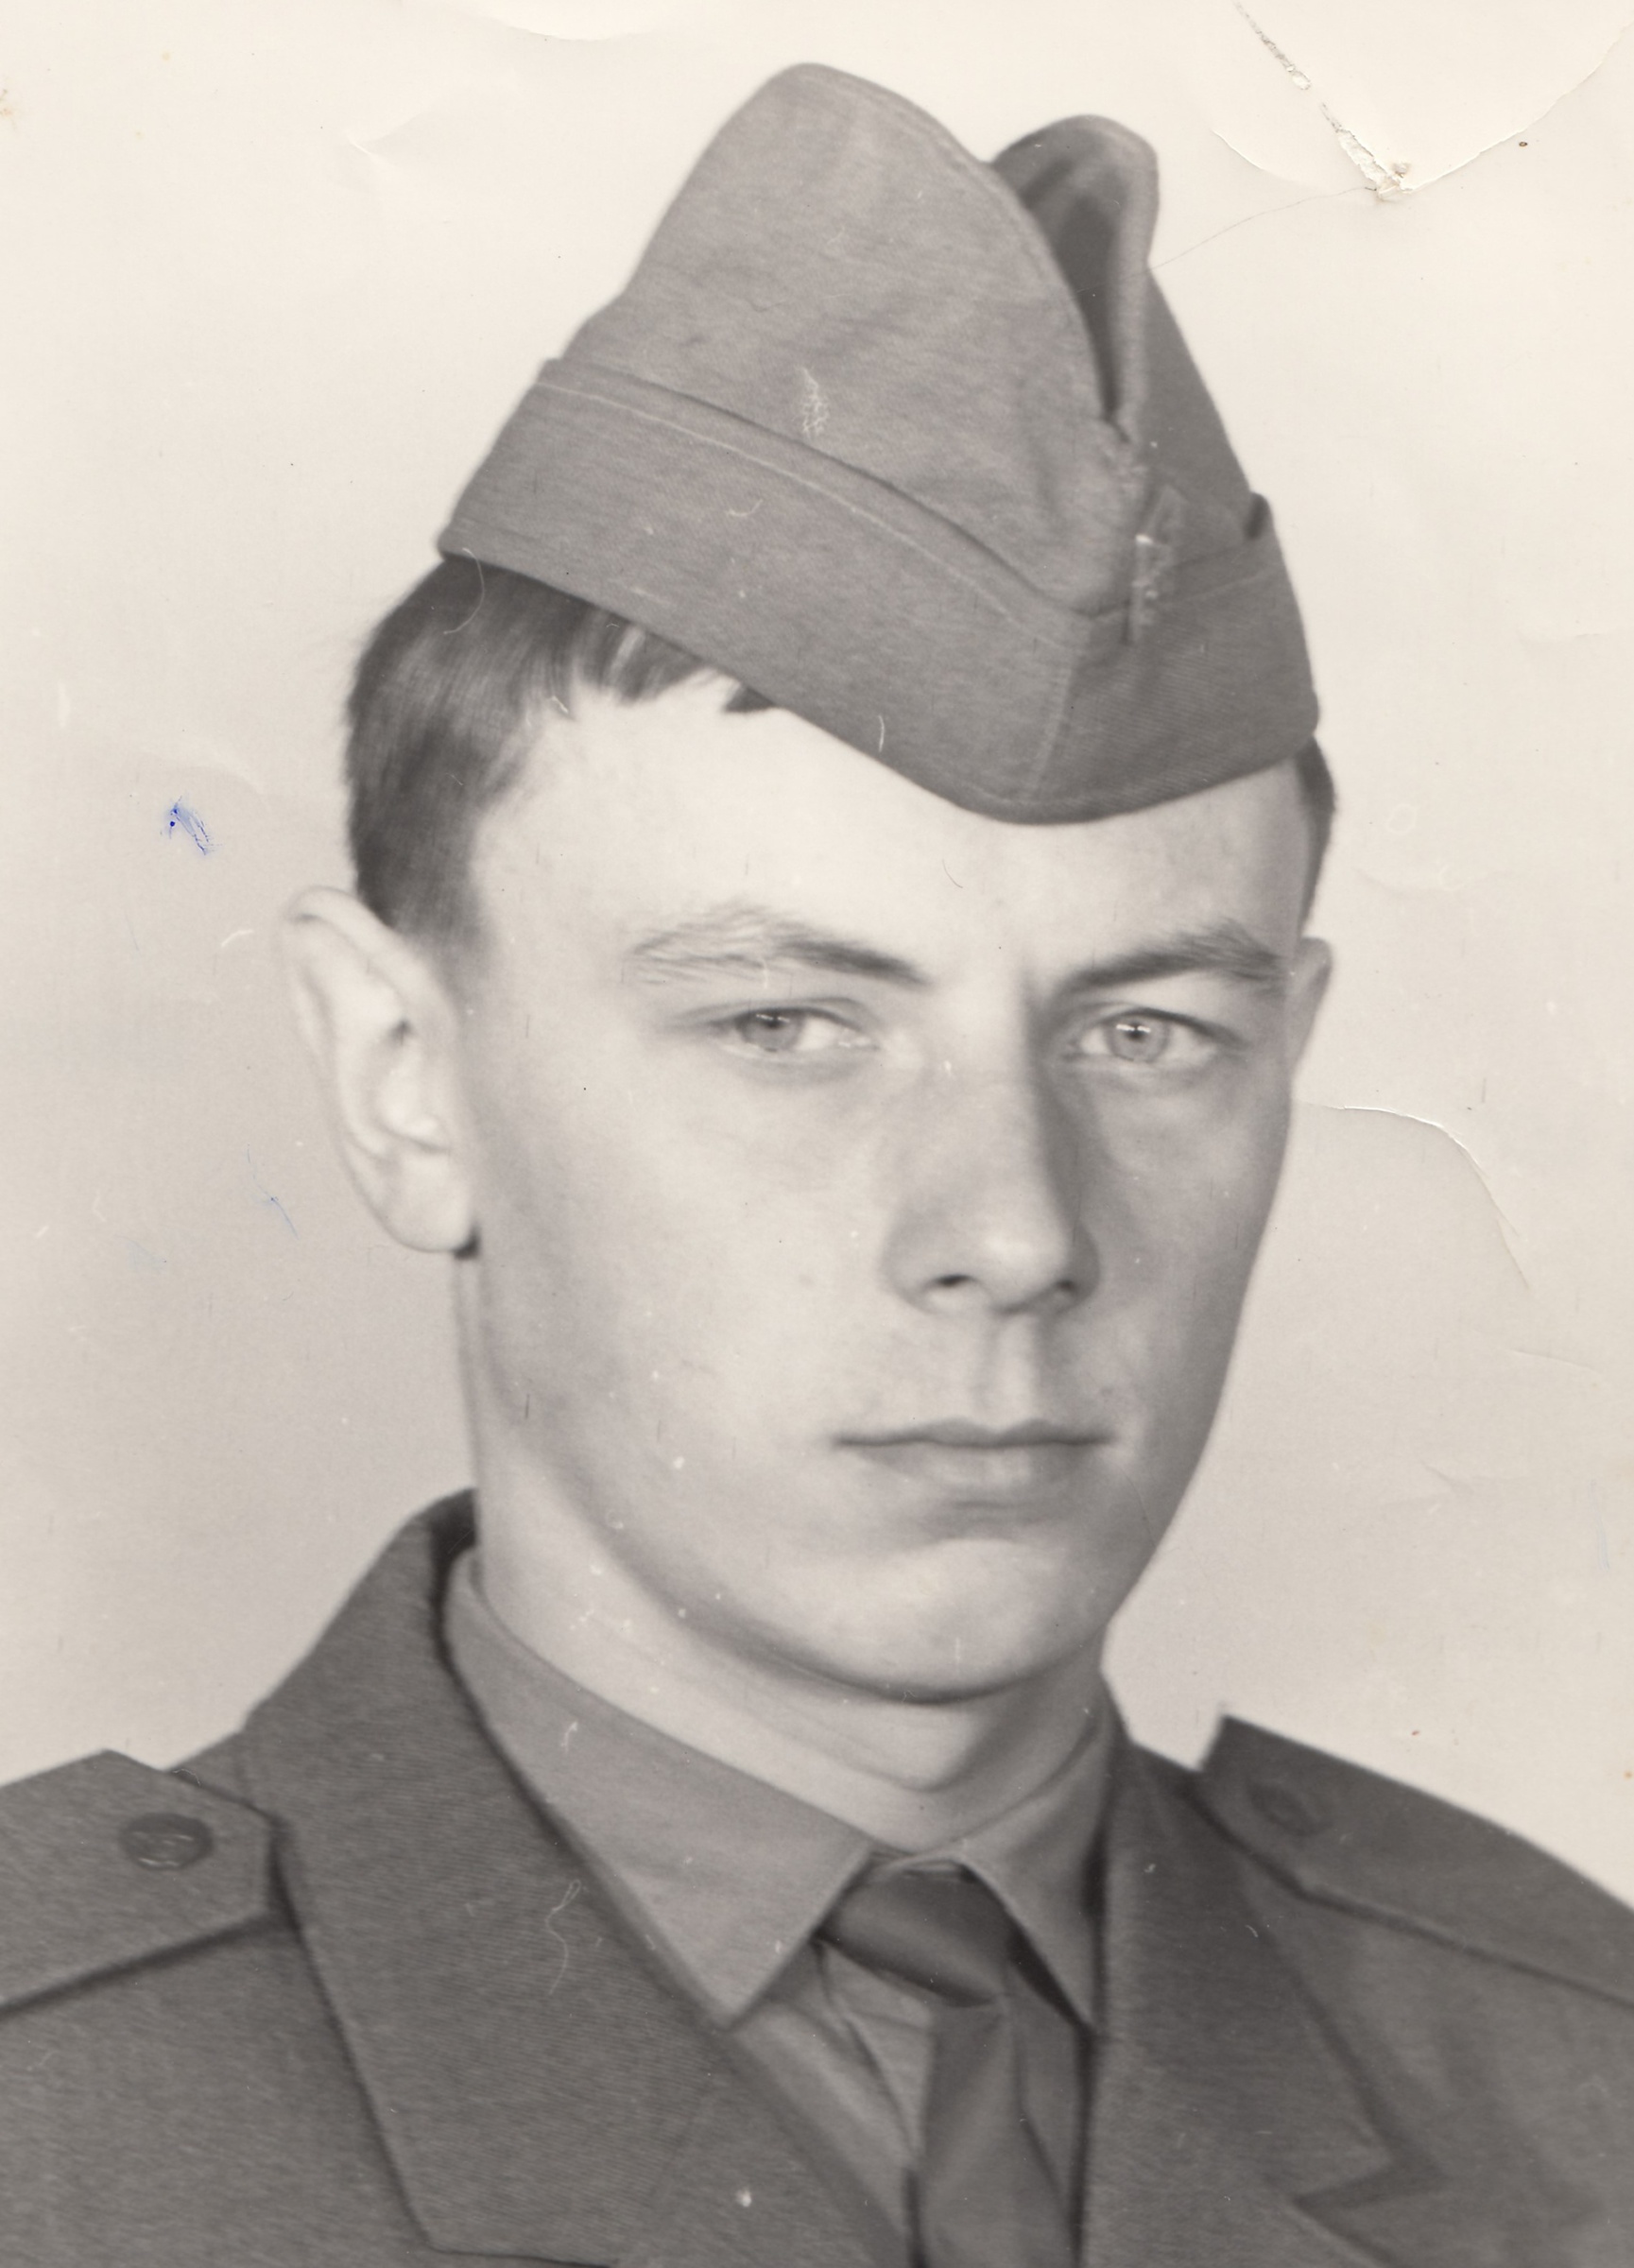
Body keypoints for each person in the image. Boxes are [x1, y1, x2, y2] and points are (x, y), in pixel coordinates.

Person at [2, 62, 1630, 2268]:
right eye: (785, 1027)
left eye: (1146, 1032)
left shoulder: (1574, 2081)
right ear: (405, 1081)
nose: (1015, 1234)